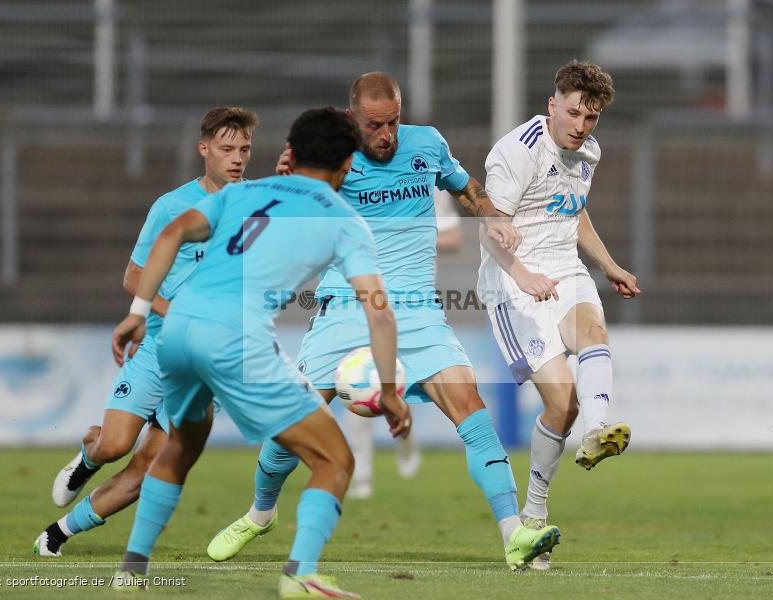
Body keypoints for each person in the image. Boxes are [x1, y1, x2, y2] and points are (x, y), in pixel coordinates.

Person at [208, 72, 562, 572]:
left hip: (417, 310)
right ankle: (260, 513)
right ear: (354, 118)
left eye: (394, 121)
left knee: (473, 413)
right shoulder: (333, 157)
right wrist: (287, 179)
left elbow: (466, 188)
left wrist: (492, 216)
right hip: (344, 305)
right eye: (376, 125)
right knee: (290, 427)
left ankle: (514, 535)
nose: (387, 134)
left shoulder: (427, 144)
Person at [109, 107, 411, 598]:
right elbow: (379, 312)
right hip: (235, 338)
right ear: (349, 163)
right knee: (334, 461)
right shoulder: (344, 219)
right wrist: (392, 392)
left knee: (182, 445)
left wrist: (139, 311)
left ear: (292, 151)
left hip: (178, 330)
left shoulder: (239, 194)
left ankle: (132, 569)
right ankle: (301, 575)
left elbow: (172, 235)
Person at [34, 107, 257, 557]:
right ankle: (89, 455)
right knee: (115, 446)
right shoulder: (172, 207)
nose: (237, 158)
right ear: (204, 149)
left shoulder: (258, 206)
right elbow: (134, 278)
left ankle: (56, 534)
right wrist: (171, 310)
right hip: (157, 346)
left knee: (148, 470)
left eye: (245, 149)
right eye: (227, 148)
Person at [478, 60, 640, 570]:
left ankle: (597, 431)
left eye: (591, 118)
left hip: (564, 270)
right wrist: (522, 274)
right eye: (572, 113)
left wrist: (609, 264)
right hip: (512, 284)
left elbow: (575, 210)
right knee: (559, 404)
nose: (580, 126)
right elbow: (490, 223)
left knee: (595, 330)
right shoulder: (517, 151)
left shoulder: (588, 150)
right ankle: (532, 517)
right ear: (553, 105)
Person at [343, 188, 462, 499]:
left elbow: (453, 238)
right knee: (356, 379)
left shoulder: (430, 186)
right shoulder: (357, 179)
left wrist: (408, 240)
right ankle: (362, 476)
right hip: (365, 296)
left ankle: (406, 439)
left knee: (402, 384)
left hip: (414, 301)